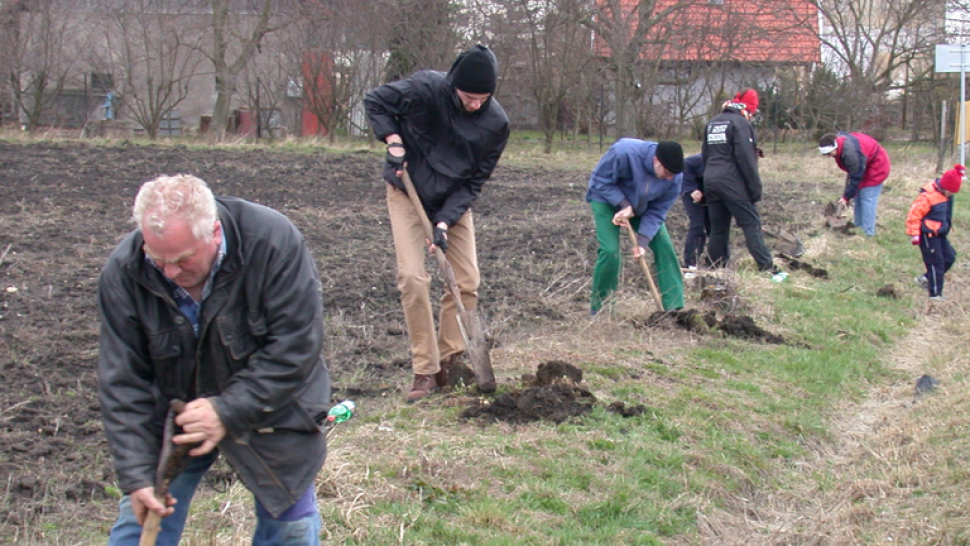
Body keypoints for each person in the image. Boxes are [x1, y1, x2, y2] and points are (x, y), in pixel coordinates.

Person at [97, 174, 331, 545]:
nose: (170, 272)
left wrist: (227, 410)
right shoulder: (125, 272)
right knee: (137, 527)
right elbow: (123, 380)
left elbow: (295, 348)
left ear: (215, 233)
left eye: (182, 259)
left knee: (290, 530)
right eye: (158, 259)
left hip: (274, 404)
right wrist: (137, 475)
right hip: (177, 409)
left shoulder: (271, 242)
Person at [364, 44, 510, 403]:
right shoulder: (424, 89)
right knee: (413, 278)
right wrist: (394, 140)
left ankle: (451, 359)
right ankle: (425, 370)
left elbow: (475, 181)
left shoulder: (497, 123)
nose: (475, 104)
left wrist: (445, 222)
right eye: (468, 97)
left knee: (467, 280)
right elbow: (375, 101)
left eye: (483, 98)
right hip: (408, 190)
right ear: (454, 85)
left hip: (453, 199)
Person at [586, 138, 686, 314]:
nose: (669, 177)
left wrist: (642, 242)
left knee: (665, 247)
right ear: (656, 160)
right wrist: (623, 204)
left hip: (641, 207)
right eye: (667, 172)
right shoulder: (624, 152)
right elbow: (600, 181)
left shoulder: (675, 178)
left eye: (673, 174)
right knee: (610, 251)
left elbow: (657, 211)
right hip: (606, 200)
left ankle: (674, 307)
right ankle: (601, 308)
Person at [702, 89, 777, 274]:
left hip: (710, 180)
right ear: (748, 110)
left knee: (718, 229)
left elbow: (705, 155)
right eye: (753, 113)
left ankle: (715, 269)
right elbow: (746, 159)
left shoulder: (712, 123)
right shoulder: (741, 124)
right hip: (731, 182)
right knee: (751, 223)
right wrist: (755, 189)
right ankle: (767, 268)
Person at [906, 164, 962, 302]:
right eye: (951, 192)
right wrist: (914, 234)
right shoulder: (927, 197)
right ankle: (935, 295)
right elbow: (914, 215)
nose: (952, 195)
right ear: (945, 187)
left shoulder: (946, 196)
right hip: (928, 235)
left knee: (950, 257)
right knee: (936, 264)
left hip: (940, 234)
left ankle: (926, 278)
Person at [819, 131, 891, 236]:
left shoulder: (850, 154)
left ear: (835, 147)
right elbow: (854, 171)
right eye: (826, 155)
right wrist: (848, 195)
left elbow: (855, 177)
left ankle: (868, 234)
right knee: (858, 197)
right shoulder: (840, 145)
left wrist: (846, 197)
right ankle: (858, 228)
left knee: (867, 198)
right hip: (863, 165)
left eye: (829, 154)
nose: (829, 156)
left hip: (877, 166)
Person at [679, 152, 710, 274]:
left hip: (711, 193)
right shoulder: (699, 160)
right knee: (698, 225)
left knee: (715, 228)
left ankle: (718, 263)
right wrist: (692, 188)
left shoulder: (733, 164)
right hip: (692, 192)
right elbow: (684, 165)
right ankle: (690, 265)